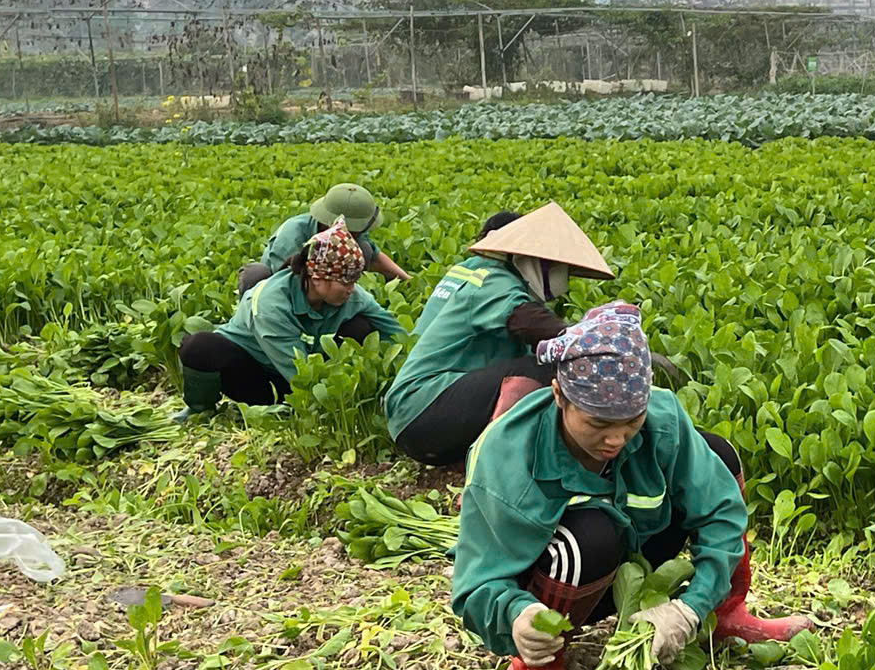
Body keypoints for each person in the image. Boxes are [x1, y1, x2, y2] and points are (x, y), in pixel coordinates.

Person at [450, 300, 804, 670]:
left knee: (717, 456)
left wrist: (692, 607)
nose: (616, 439)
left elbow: (721, 512)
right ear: (559, 395)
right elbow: (476, 585)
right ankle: (538, 664)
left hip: (634, 557)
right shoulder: (505, 457)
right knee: (590, 534)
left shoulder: (662, 418)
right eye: (598, 423)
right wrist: (518, 615)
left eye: (632, 421)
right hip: (564, 575)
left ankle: (724, 614)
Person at [384, 202, 607, 470]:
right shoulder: (493, 280)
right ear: (532, 262)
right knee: (540, 369)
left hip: (431, 414)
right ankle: (496, 465)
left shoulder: (494, 279)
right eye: (559, 267)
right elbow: (527, 321)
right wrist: (599, 344)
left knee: (549, 365)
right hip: (421, 409)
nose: (564, 280)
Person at [179, 221, 406, 413]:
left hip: (305, 368)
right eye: (346, 282)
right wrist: (337, 405)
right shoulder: (270, 303)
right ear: (317, 278)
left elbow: (395, 332)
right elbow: (299, 372)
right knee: (199, 347)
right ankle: (200, 410)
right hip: (256, 373)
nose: (352, 289)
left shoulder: (351, 295)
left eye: (355, 281)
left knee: (362, 326)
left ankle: (303, 406)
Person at [236, 184, 412, 294]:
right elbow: (287, 280)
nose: (356, 235)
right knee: (255, 274)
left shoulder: (353, 234)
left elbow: (376, 258)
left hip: (329, 289)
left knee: (364, 249)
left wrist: (409, 281)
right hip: (284, 289)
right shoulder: (293, 234)